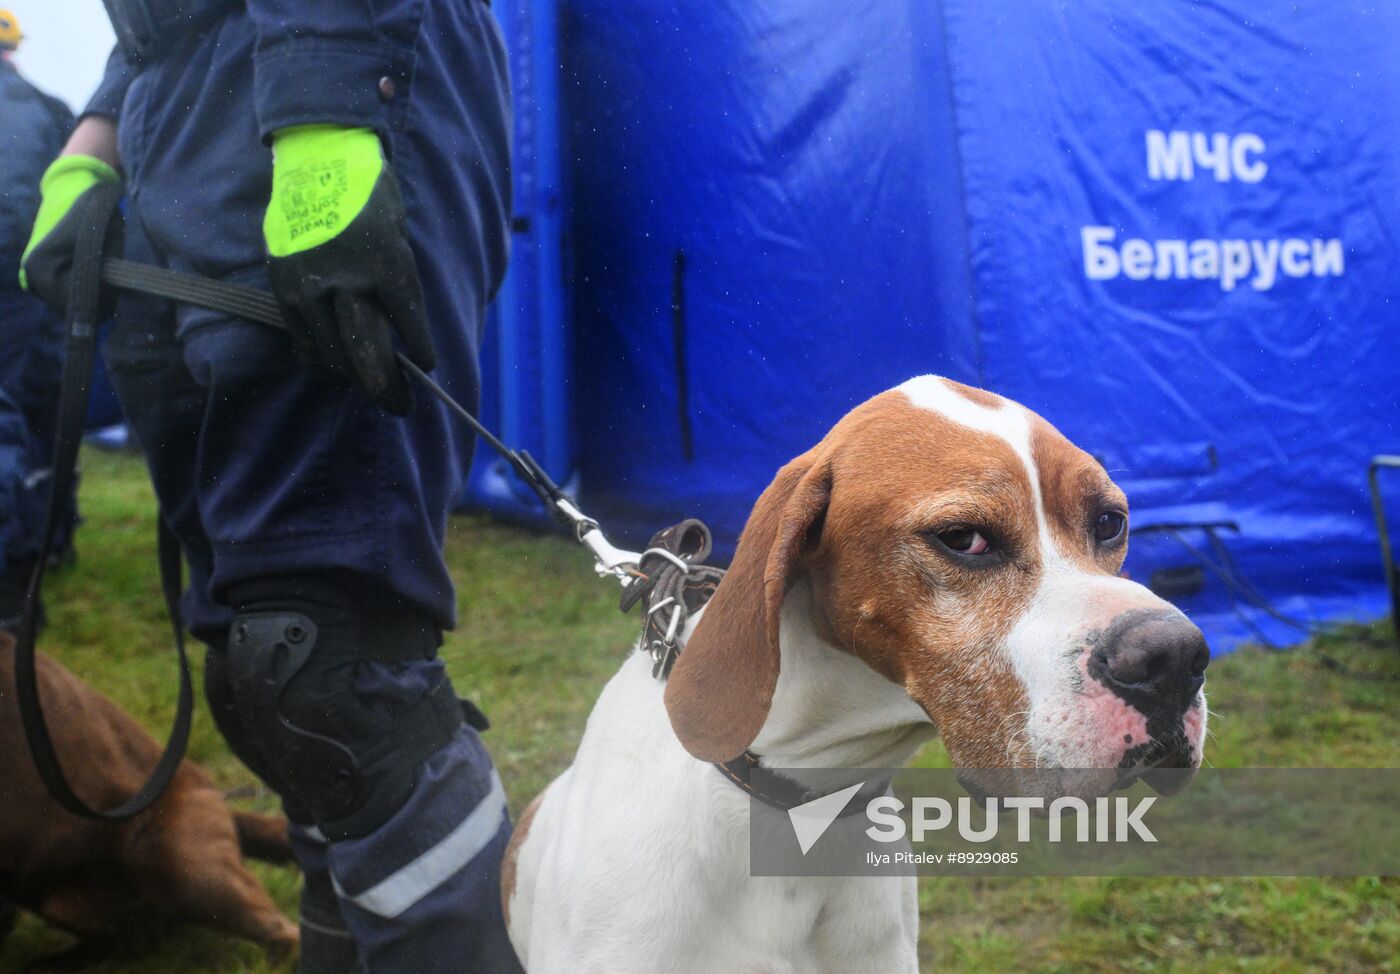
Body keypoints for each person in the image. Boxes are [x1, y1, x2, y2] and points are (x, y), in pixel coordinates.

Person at [20, 2, 519, 972]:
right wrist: (100, 138)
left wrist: (333, 109)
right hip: (195, 98)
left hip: (331, 59)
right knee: (263, 677)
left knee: (328, 669)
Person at [0, 10, 76, 629]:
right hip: (40, 290)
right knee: (40, 418)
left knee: (7, 425)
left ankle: (14, 582)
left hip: (15, 291)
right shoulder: (50, 109)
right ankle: (48, 546)